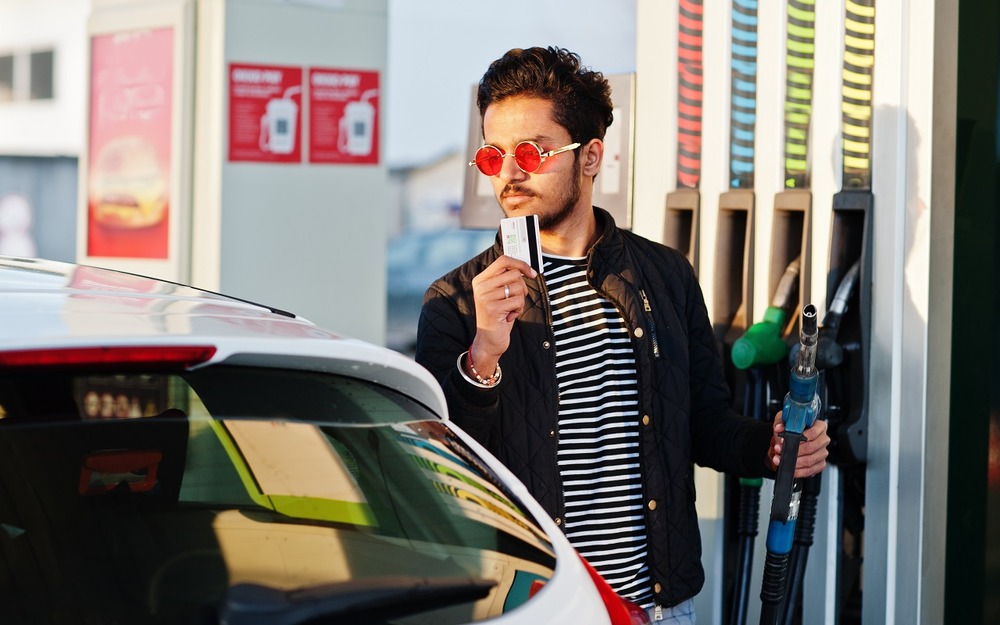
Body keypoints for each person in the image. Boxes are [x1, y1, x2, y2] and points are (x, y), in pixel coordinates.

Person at [414, 46, 829, 623]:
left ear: (591, 157)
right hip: (540, 609)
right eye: (492, 155)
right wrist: (483, 353)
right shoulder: (455, 301)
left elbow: (705, 425)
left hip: (659, 606)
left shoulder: (665, 275)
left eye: (530, 152)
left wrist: (770, 446)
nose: (509, 174)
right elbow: (443, 470)